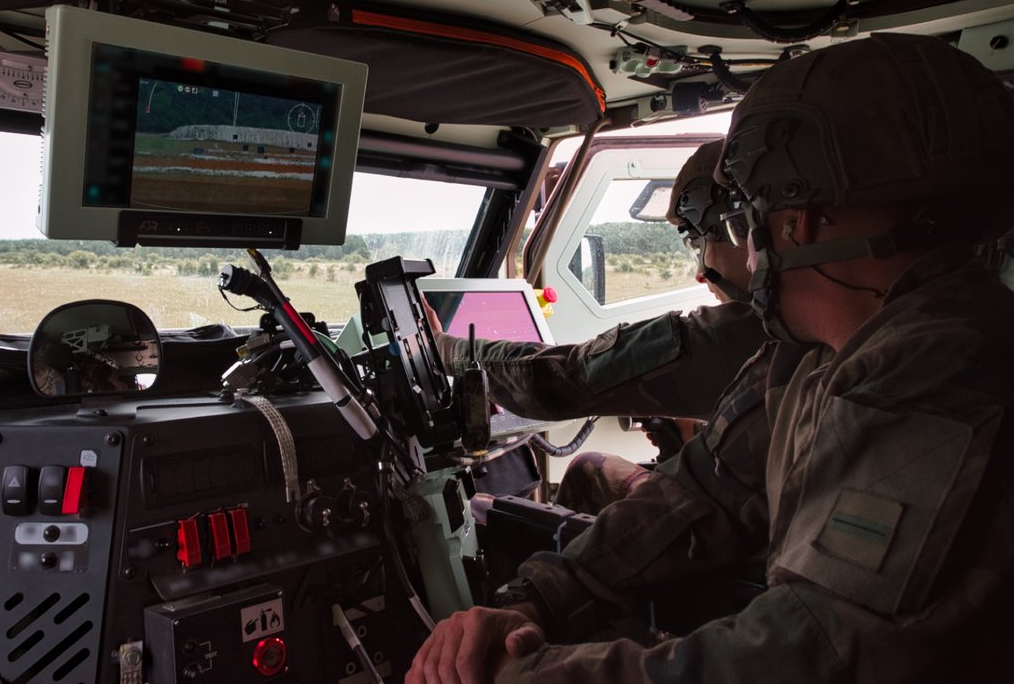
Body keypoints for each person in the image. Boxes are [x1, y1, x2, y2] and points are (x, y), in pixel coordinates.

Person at [407, 33, 1014, 683]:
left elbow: (813, 655)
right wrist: (534, 601)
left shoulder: (945, 366)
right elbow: (705, 491)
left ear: (798, 219)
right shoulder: (804, 357)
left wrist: (520, 674)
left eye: (752, 211)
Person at [431, 140, 769, 513]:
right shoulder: (800, 324)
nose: (700, 273)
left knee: (511, 502)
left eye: (697, 241)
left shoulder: (739, 333)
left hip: (748, 541)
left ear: (742, 227)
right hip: (766, 523)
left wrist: (445, 349)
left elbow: (565, 378)